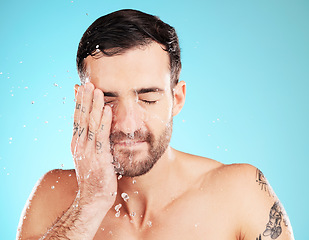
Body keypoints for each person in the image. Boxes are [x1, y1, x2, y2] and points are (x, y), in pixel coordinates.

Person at [17, 9, 294, 240]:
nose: (128, 124)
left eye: (148, 98)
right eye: (108, 100)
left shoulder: (239, 194)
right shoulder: (53, 197)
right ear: (82, 103)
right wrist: (90, 203)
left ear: (177, 98)